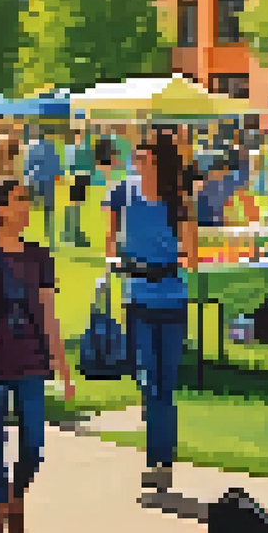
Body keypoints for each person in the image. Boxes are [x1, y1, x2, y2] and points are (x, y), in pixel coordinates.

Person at [0, 179, 74, 533]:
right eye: (19, 199)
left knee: (34, 447)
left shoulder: (39, 257)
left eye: (27, 199)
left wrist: (63, 365)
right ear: (0, 209)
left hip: (31, 363)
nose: (26, 206)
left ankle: (15, 495)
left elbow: (48, 314)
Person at [104, 129, 197, 496]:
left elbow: (191, 256)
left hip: (172, 298)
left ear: (157, 161)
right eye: (135, 157)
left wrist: (167, 262)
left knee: (166, 382)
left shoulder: (179, 201)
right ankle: (157, 455)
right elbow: (109, 242)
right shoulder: (122, 194)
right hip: (138, 299)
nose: (135, 163)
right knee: (147, 379)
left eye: (141, 157)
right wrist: (116, 261)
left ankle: (162, 461)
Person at [23, 126, 62, 250]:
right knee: (49, 210)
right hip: (48, 180)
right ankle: (50, 237)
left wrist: (26, 177)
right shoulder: (50, 146)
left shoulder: (32, 147)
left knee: (27, 207)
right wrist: (58, 174)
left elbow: (28, 164)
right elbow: (56, 162)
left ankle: (26, 234)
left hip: (35, 179)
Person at [62, 131, 95, 247]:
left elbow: (91, 164)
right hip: (77, 178)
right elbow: (70, 165)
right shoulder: (72, 149)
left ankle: (71, 232)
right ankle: (71, 233)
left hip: (82, 178)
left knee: (76, 205)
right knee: (74, 205)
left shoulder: (84, 148)